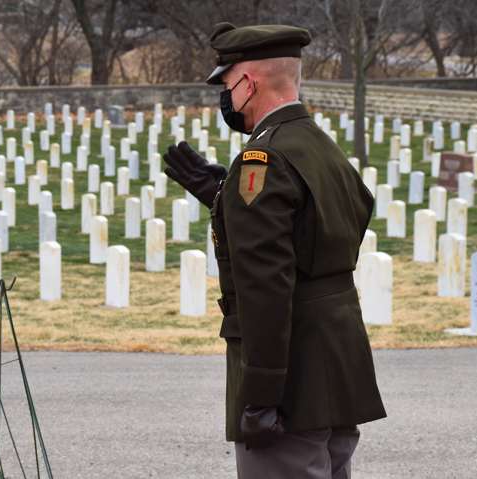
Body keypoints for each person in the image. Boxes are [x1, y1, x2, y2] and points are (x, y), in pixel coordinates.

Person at [162, 23, 387, 478]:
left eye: (226, 84)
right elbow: (316, 231)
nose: (224, 96)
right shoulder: (318, 145)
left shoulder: (261, 159)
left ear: (248, 82)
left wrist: (261, 395)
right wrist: (226, 198)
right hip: (336, 360)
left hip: (291, 381)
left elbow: (266, 286)